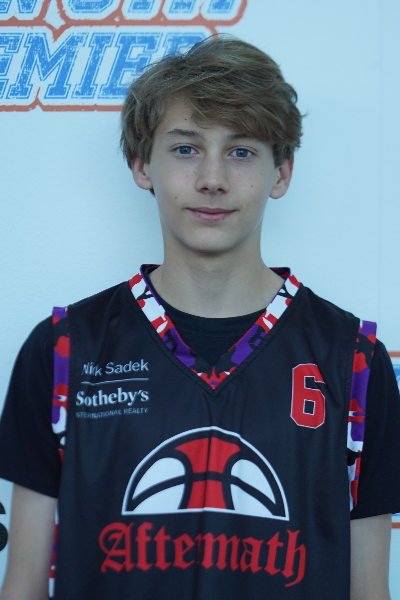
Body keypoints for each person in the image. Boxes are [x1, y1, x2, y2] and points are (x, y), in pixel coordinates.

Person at [0, 36, 399, 600]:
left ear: (281, 173)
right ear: (142, 165)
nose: (213, 178)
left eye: (241, 151)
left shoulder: (353, 360)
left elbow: (370, 591)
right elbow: (22, 587)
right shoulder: (64, 350)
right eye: (186, 148)